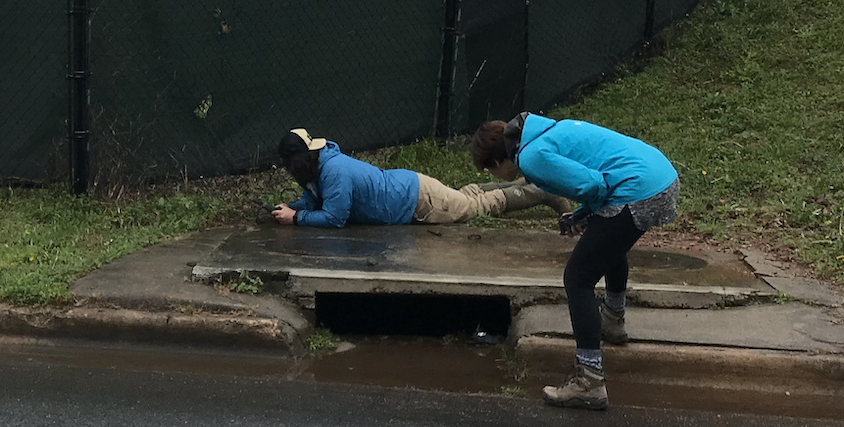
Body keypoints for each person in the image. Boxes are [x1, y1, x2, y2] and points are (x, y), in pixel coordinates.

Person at [471, 114, 679, 411]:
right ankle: (612, 320)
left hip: (638, 189)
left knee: (577, 278)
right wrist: (583, 215)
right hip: (660, 177)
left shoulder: (530, 157)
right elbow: (597, 184)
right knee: (608, 244)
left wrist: (586, 214)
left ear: (496, 161)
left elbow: (594, 187)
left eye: (489, 170)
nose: (494, 175)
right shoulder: (546, 132)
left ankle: (589, 381)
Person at [270, 128, 568, 227]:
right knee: (464, 197)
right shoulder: (320, 166)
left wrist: (296, 218)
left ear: (300, 161)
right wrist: (293, 207)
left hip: (417, 201)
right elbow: (315, 200)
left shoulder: (334, 171)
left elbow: (335, 217)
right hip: (412, 190)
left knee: (475, 207)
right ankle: (521, 183)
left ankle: (543, 193)